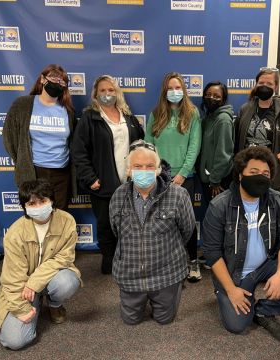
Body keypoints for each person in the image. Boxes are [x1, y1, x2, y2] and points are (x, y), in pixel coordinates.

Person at [202, 146, 280, 343]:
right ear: (239, 175)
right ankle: (232, 295)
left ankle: (264, 311)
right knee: (237, 325)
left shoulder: (278, 201)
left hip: (267, 264)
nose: (260, 177)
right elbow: (212, 253)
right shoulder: (220, 206)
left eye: (265, 173)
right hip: (235, 273)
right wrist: (231, 290)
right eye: (253, 172)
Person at [109, 140, 196, 325]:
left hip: (166, 274)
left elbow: (187, 231)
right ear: (128, 171)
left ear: (158, 169)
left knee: (164, 320)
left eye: (150, 166)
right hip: (129, 274)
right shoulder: (118, 195)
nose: (144, 170)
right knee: (130, 321)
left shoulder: (179, 195)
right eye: (137, 166)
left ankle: (163, 298)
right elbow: (116, 230)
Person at [0, 179, 81, 350]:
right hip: (22, 288)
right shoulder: (14, 234)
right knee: (14, 341)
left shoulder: (67, 221)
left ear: (52, 201)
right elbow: (12, 280)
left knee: (68, 282)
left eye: (43, 201)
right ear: (24, 207)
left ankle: (54, 304)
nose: (38, 207)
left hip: (44, 281)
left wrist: (34, 284)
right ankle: (37, 303)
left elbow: (64, 258)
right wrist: (22, 309)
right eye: (32, 203)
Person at [72, 75, 144, 274]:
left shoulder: (128, 117)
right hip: (102, 183)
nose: (107, 94)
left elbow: (140, 146)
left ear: (117, 93)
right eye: (102, 91)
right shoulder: (90, 118)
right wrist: (90, 178)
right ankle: (109, 260)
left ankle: (127, 258)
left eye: (111, 90)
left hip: (129, 183)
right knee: (105, 224)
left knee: (129, 223)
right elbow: (79, 151)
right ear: (95, 94)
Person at [144, 72, 202, 282]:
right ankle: (166, 264)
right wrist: (156, 172)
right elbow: (148, 145)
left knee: (187, 223)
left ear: (184, 90)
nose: (174, 92)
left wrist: (182, 174)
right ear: (164, 91)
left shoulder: (192, 113)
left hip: (185, 178)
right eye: (170, 88)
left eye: (178, 88)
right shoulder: (156, 113)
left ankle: (193, 262)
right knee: (160, 222)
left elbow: (194, 146)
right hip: (159, 177)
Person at [3, 64, 76, 210]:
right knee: (36, 215)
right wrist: (23, 161)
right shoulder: (23, 105)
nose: (57, 83)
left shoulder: (67, 111)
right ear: (43, 79)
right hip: (34, 172)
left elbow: (71, 142)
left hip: (61, 173)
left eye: (62, 82)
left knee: (59, 216)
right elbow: (9, 137)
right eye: (53, 78)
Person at [198, 81, 234, 204]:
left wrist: (215, 181)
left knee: (218, 217)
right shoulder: (208, 119)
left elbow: (224, 154)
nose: (211, 98)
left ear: (223, 99)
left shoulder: (223, 120)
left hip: (218, 182)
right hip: (208, 179)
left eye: (216, 96)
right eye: (208, 94)